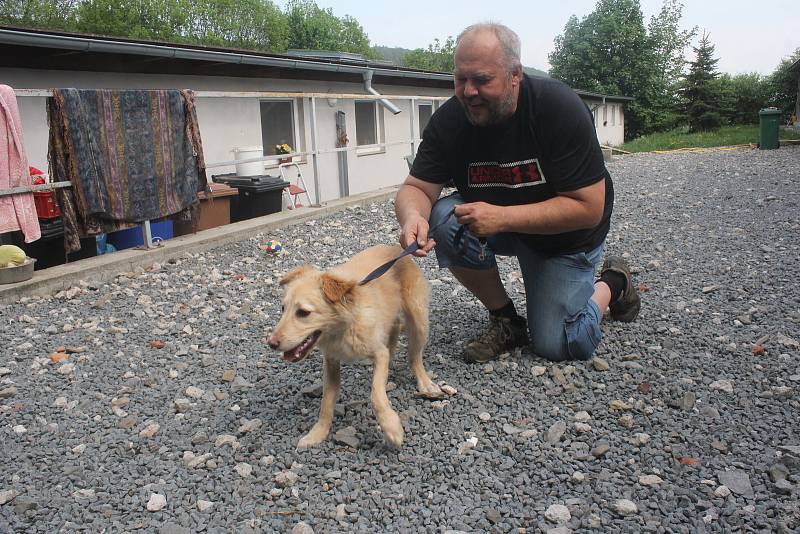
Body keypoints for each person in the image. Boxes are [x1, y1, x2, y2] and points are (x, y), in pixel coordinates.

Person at [395, 22, 640, 364]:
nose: (468, 91)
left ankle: (612, 284)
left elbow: (589, 207)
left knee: (561, 343)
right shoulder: (450, 121)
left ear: (515, 75)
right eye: (460, 79)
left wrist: (503, 218)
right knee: (442, 219)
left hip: (565, 237)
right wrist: (413, 217)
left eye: (481, 80)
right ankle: (506, 319)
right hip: (496, 224)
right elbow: (416, 188)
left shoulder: (557, 109)